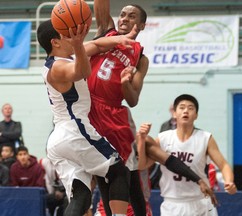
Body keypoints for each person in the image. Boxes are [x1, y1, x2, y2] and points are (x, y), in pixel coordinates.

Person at [37, 19, 137, 216]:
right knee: (119, 172)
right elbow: (82, 71)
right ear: (55, 42)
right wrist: (77, 45)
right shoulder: (57, 67)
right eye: (66, 34)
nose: (72, 37)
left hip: (59, 138)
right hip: (75, 131)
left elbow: (98, 45)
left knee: (81, 197)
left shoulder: (66, 57)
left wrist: (121, 39)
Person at [88, 0, 149, 215]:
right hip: (86, 107)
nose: (124, 18)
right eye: (123, 14)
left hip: (112, 114)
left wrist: (124, 84)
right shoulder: (107, 30)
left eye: (131, 16)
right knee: (102, 172)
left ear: (141, 25)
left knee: (126, 174)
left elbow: (133, 100)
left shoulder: (141, 58)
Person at [137, 94, 237, 216]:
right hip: (173, 203)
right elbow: (142, 165)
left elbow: (224, 164)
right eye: (182, 107)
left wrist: (229, 182)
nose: (186, 111)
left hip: (201, 201)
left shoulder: (205, 138)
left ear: (196, 115)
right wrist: (141, 140)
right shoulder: (163, 138)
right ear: (174, 113)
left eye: (190, 108)